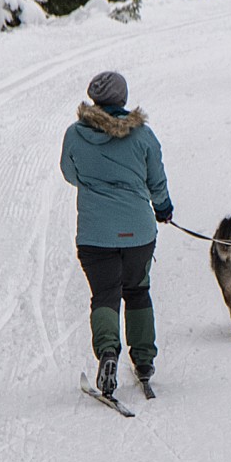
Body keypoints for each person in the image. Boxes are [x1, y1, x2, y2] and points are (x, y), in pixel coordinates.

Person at [60, 70, 173, 396]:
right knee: (137, 290)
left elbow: (70, 174)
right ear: (122, 99)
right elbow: (157, 180)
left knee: (105, 294)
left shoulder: (74, 134)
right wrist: (163, 207)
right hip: (138, 230)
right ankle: (144, 362)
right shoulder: (143, 135)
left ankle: (108, 352)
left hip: (96, 234)